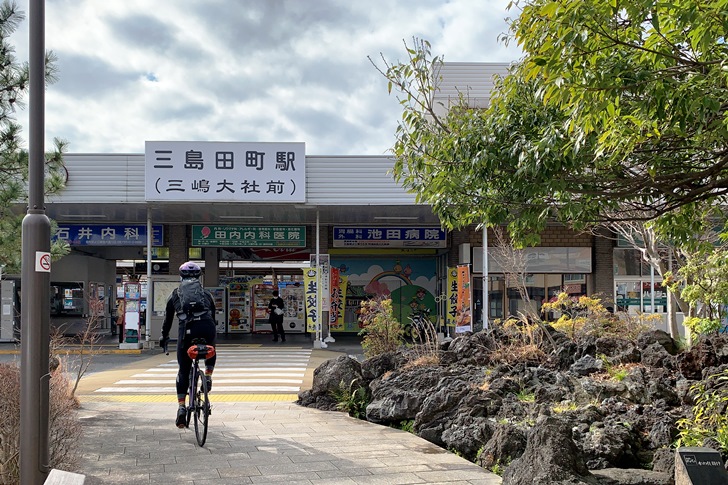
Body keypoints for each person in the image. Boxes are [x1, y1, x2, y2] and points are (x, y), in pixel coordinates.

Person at [159, 261, 217, 428]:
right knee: (211, 348)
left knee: (183, 370)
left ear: (180, 276)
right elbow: (213, 315)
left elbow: (167, 320)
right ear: (199, 277)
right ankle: (208, 375)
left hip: (187, 332)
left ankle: (182, 408)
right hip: (207, 328)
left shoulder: (175, 295)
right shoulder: (206, 295)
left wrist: (164, 337)